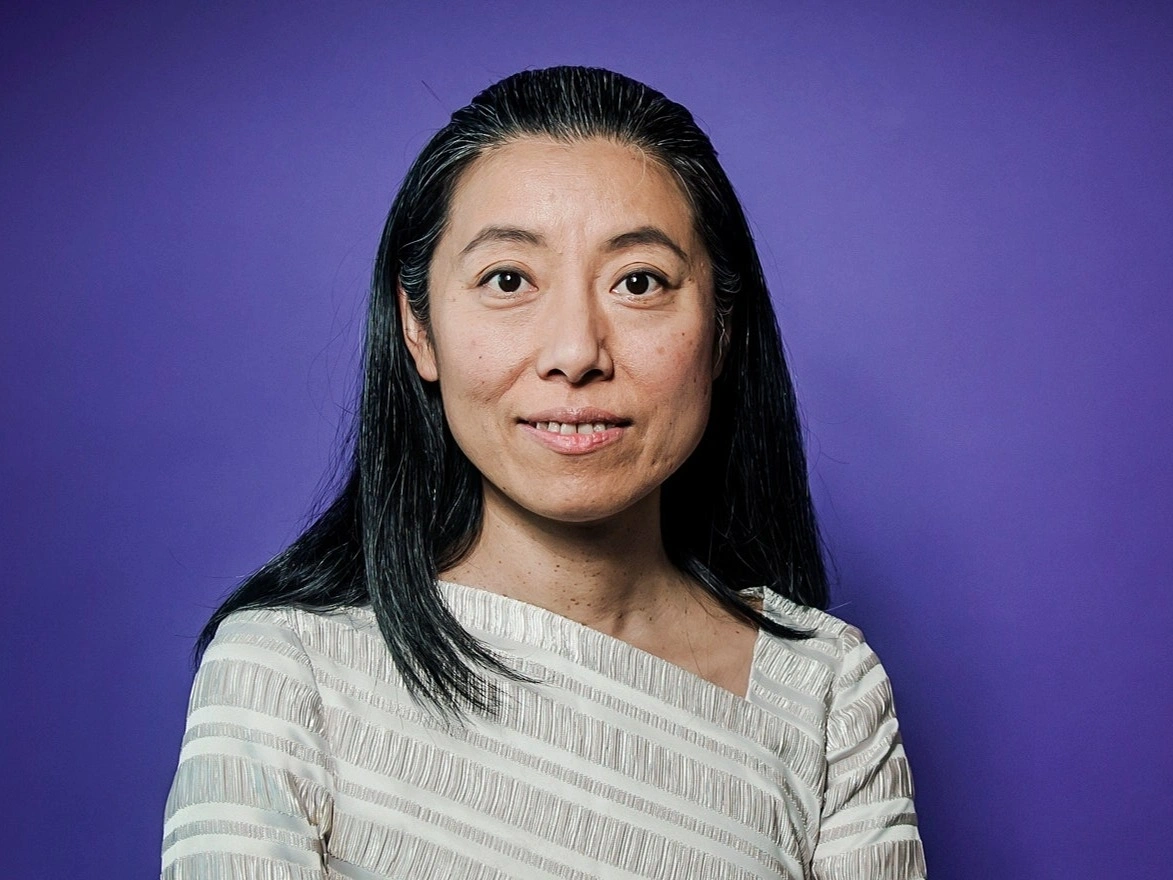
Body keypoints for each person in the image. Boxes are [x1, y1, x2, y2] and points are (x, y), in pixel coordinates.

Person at [162, 66, 925, 879]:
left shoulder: (824, 692)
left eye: (638, 282)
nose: (574, 352)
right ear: (418, 326)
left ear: (723, 329)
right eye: (507, 280)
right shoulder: (286, 670)